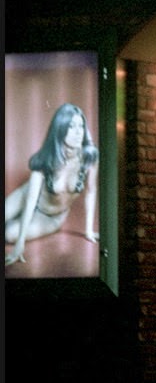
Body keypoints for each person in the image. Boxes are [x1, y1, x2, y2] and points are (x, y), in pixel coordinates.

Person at [5, 103, 99, 266]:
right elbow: (30, 200)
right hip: (26, 196)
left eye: (81, 126)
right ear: (60, 130)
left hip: (51, 217)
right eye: (71, 126)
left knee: (9, 234)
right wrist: (20, 245)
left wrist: (89, 230)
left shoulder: (89, 156)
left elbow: (91, 191)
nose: (78, 132)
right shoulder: (44, 159)